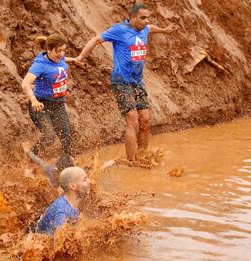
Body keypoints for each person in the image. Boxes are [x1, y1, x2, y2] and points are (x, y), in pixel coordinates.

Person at [76, 3, 176, 161]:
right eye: (143, 18)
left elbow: (151, 27)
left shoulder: (144, 29)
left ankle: (142, 155)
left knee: (146, 120)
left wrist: (164, 30)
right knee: (133, 121)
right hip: (121, 81)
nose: (146, 21)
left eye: (147, 17)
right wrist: (81, 57)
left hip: (138, 81)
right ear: (133, 17)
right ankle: (131, 162)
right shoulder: (119, 30)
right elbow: (96, 40)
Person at [21, 34, 78, 162]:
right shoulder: (40, 65)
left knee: (66, 136)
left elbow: (63, 59)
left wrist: (73, 59)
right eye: (58, 51)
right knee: (49, 136)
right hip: (40, 105)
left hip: (58, 104)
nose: (62, 54)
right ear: (49, 50)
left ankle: (70, 168)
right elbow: (25, 83)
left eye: (64, 50)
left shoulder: (60, 58)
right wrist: (34, 100)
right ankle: (30, 159)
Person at [35, 166, 91, 234]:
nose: (90, 181)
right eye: (84, 180)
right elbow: (59, 241)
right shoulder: (62, 213)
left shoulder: (73, 201)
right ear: (73, 186)